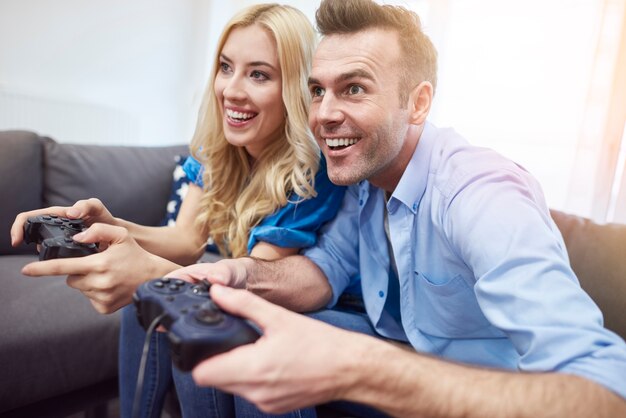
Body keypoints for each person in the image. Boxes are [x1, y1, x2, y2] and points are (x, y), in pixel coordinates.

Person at [164, 0, 626, 417]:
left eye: (355, 89)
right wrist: (238, 276)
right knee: (235, 325)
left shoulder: (480, 193)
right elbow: (327, 269)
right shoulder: (364, 176)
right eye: (317, 90)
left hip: (488, 393)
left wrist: (364, 368)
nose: (324, 115)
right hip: (405, 354)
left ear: (418, 102)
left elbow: (606, 390)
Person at [10, 3, 347, 416]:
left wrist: (153, 271)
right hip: (238, 279)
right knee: (150, 298)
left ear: (294, 87)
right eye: (226, 67)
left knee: (181, 308)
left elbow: (250, 284)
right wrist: (111, 225)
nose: (232, 90)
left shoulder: (312, 173)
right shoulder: (221, 150)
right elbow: (186, 240)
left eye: (258, 74)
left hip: (291, 301)